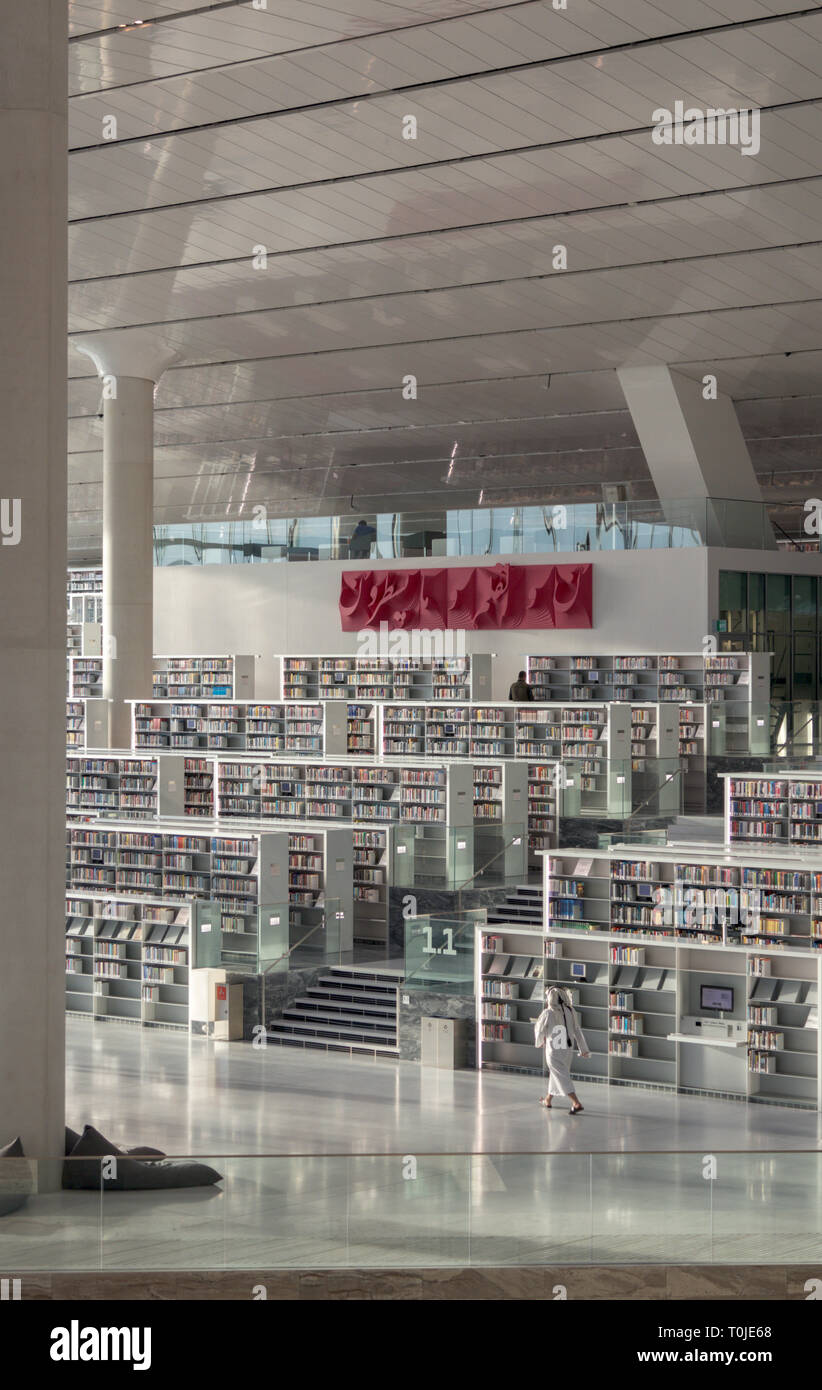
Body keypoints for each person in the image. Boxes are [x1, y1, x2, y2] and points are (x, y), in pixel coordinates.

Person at [534, 986, 590, 1113]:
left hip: (553, 1051)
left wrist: (539, 1041)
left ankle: (576, 1103)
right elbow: (577, 1031)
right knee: (558, 1074)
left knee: (561, 1076)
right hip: (567, 1051)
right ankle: (548, 1100)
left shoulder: (547, 1013)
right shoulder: (570, 1011)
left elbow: (539, 1029)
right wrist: (583, 1049)